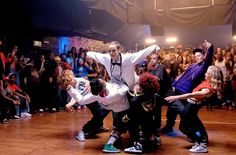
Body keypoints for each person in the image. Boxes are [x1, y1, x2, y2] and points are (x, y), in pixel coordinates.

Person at [64, 72, 130, 153]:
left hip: (107, 106)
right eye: (101, 81)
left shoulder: (94, 95)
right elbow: (126, 88)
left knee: (101, 116)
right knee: (122, 125)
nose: (101, 80)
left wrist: (71, 90)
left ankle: (107, 129)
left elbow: (81, 100)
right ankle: (107, 143)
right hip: (123, 109)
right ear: (103, 86)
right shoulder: (117, 93)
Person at [165, 65, 224, 153]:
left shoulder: (207, 90)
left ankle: (201, 144)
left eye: (207, 73)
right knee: (194, 122)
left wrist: (175, 97)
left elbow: (190, 95)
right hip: (191, 106)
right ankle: (202, 141)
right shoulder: (207, 82)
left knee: (183, 127)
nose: (205, 73)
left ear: (211, 75)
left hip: (191, 107)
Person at [162, 40, 214, 137]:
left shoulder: (203, 67)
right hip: (176, 89)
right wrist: (173, 85)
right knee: (171, 110)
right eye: (195, 56)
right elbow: (182, 75)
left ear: (203, 56)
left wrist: (210, 47)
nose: (197, 57)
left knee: (185, 113)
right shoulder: (192, 65)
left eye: (199, 55)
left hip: (185, 92)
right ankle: (169, 127)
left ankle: (192, 133)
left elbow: (209, 58)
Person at [57, 70, 110, 140]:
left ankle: (99, 126)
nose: (73, 81)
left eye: (72, 79)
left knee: (100, 113)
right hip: (89, 101)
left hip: (95, 97)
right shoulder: (71, 89)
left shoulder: (79, 79)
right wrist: (68, 105)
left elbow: (89, 83)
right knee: (99, 114)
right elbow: (75, 98)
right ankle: (84, 130)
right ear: (67, 84)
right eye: (70, 82)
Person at [86, 41, 160, 90]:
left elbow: (141, 53)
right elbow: (96, 55)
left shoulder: (128, 58)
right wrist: (88, 54)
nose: (111, 53)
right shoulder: (107, 58)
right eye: (109, 51)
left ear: (119, 50)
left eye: (114, 50)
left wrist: (154, 47)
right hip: (115, 85)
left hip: (130, 86)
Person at [123, 73, 161, 153]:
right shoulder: (155, 95)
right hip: (150, 119)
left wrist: (123, 120)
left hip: (139, 118)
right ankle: (155, 139)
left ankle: (137, 146)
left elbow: (130, 115)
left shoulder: (135, 100)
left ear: (142, 87)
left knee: (131, 123)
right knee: (149, 126)